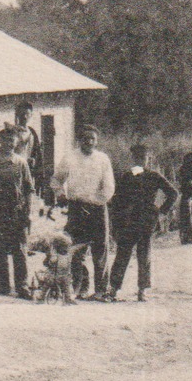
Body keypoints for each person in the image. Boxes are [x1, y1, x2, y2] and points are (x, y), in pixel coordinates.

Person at [107, 144, 178, 302]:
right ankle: (113, 289)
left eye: (144, 158)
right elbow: (117, 199)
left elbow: (173, 193)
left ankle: (142, 289)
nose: (140, 161)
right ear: (133, 159)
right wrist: (116, 219)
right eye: (137, 158)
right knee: (122, 253)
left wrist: (162, 212)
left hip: (146, 220)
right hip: (128, 220)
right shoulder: (126, 176)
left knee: (144, 254)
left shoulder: (154, 176)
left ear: (149, 159)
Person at [53, 125, 115, 300]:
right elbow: (56, 179)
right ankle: (80, 287)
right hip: (76, 208)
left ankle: (101, 290)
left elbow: (109, 186)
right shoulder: (70, 158)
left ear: (97, 141)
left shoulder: (103, 159)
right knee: (76, 249)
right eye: (85, 138)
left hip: (97, 208)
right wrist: (61, 194)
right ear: (79, 140)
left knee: (100, 249)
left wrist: (96, 201)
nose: (89, 142)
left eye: (92, 139)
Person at [0, 127, 36, 297]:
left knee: (19, 250)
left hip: (17, 212)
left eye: (12, 140)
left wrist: (28, 212)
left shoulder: (21, 163)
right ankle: (2, 285)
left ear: (16, 142)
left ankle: (22, 286)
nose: (8, 144)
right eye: (5, 140)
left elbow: (28, 189)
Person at [10, 100, 45, 219]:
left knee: (27, 197)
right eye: (21, 114)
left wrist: (36, 164)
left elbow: (37, 153)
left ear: (31, 115)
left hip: (28, 170)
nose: (24, 117)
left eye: (27, 114)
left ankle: (25, 223)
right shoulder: (12, 132)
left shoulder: (32, 132)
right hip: (14, 169)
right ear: (17, 115)